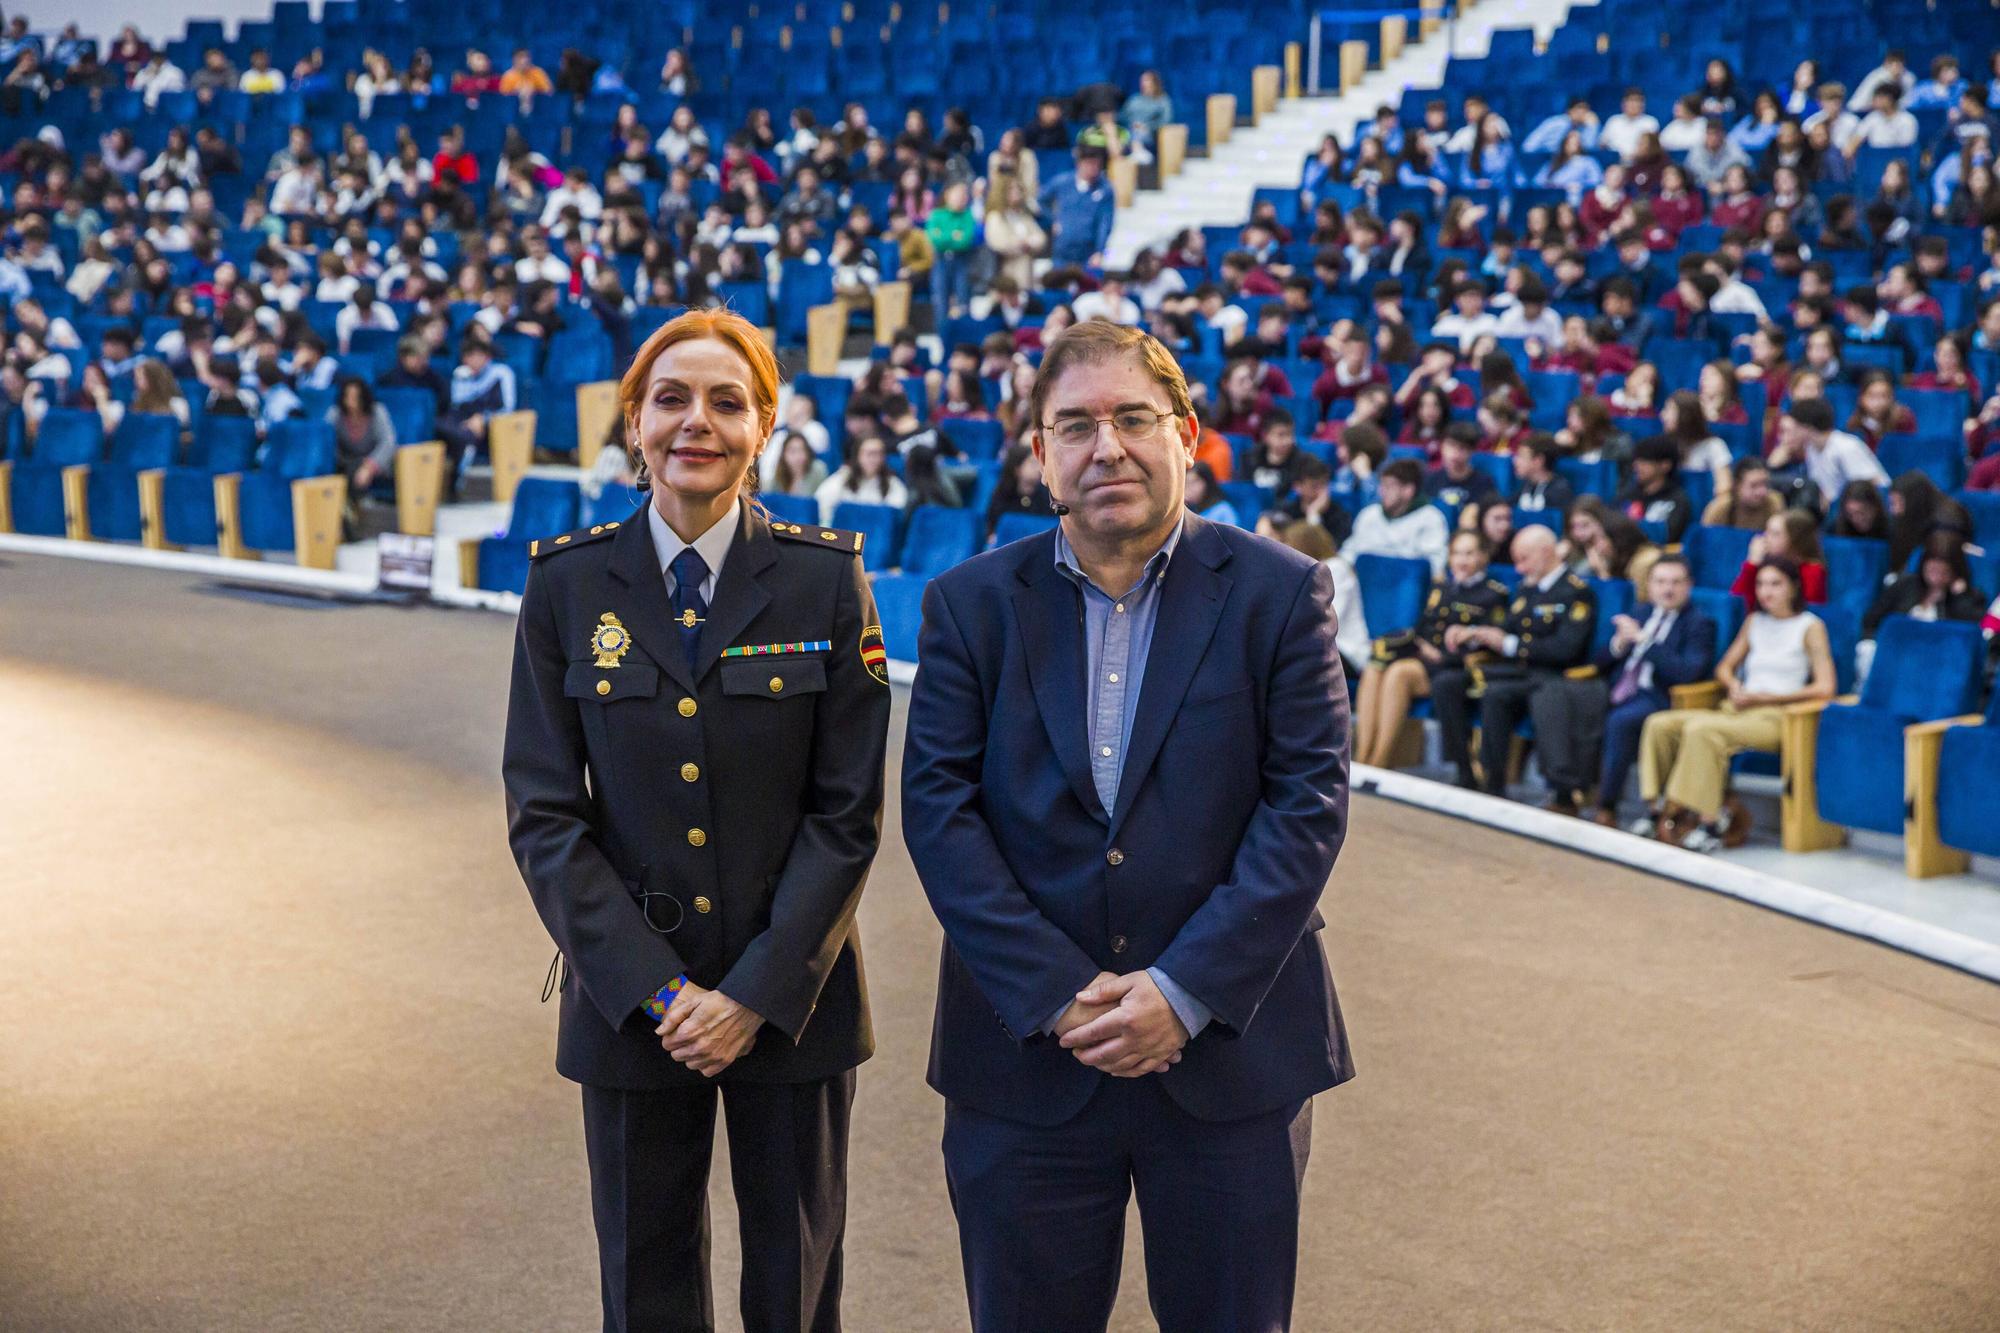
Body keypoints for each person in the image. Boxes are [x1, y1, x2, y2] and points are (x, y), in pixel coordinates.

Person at [902, 318, 1353, 1332]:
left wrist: (1180, 991)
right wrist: (1061, 995)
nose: (1105, 447)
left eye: (1131, 419)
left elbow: (1306, 806)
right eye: (1074, 426)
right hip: (1024, 1061)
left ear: (1185, 433)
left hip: (1227, 1057)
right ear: (1038, 457)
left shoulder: (1279, 594)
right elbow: (938, 813)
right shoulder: (966, 604)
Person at [502, 308, 890, 1333]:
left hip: (790, 998)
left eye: (727, 401)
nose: (695, 422)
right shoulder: (567, 581)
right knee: (644, 1278)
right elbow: (544, 813)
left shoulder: (823, 577)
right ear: (635, 420)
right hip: (635, 1006)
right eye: (670, 398)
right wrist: (661, 991)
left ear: (763, 425)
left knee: (794, 1282)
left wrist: (751, 996)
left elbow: (845, 815)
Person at [1633, 558, 1835, 851]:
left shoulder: (1810, 626)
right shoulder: (1755, 621)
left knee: (1703, 730)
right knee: (1660, 723)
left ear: (1793, 587)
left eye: (1775, 584)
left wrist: (1765, 698)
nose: (1767, 591)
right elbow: (1724, 667)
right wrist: (1734, 685)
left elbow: (1825, 687)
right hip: (1739, 708)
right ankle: (1657, 811)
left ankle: (1708, 822)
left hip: (1778, 717)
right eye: (1762, 584)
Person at [1537, 556, 1717, 821]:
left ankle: (1607, 806)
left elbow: (1687, 672)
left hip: (1656, 695)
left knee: (1620, 721)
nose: (1668, 589)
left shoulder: (1699, 623)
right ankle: (1564, 792)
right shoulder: (1640, 612)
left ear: (1688, 586)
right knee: (1555, 695)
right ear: (1650, 585)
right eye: (1661, 582)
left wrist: (1644, 642)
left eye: (1676, 582)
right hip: (1616, 688)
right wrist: (1618, 644)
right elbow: (1599, 663)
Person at [1430, 525, 1597, 794]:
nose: (1518, 568)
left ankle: (1493, 784)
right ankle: (1470, 772)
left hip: (1550, 678)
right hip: (1515, 671)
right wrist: (1474, 634)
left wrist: (1510, 644)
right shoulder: (1527, 589)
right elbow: (1506, 630)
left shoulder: (1575, 592)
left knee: (1495, 694)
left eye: (1524, 559)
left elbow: (1565, 649)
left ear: (1545, 552)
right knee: (1449, 683)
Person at [1353, 529, 1512, 769]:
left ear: (1483, 557)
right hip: (1424, 658)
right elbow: (1424, 628)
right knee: (1374, 667)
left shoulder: (1493, 594)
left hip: (1454, 668)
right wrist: (1419, 645)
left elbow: (1488, 645)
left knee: (1399, 673)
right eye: (1456, 553)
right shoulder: (1443, 589)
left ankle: (1379, 762)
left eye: (1469, 553)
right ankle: (1362, 757)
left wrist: (1442, 654)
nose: (1461, 560)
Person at [1855, 533, 1986, 684]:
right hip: (1894, 653)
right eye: (1932, 562)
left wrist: (1958, 597)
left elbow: (1967, 642)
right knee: (1866, 649)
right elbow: (1871, 621)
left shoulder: (1969, 598)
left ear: (1955, 569)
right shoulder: (1905, 585)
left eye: (1944, 565)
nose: (1937, 569)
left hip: (1934, 661)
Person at [1347, 457, 1450, 576]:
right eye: (1382, 485)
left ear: (1408, 490)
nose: (1382, 492)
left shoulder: (1430, 518)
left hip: (1406, 587)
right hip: (1366, 584)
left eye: (1389, 486)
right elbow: (1349, 552)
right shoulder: (1369, 514)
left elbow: (1434, 564)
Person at [815, 434, 907, 521]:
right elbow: (821, 507)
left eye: (879, 454)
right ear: (857, 455)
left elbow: (897, 515)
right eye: (869, 454)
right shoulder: (842, 478)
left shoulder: (892, 483)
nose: (874, 459)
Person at [1700, 455, 1782, 530]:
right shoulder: (1720, 508)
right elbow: (1704, 541)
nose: (1761, 491)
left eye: (1765, 484)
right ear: (1737, 486)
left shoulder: (1774, 503)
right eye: (1754, 486)